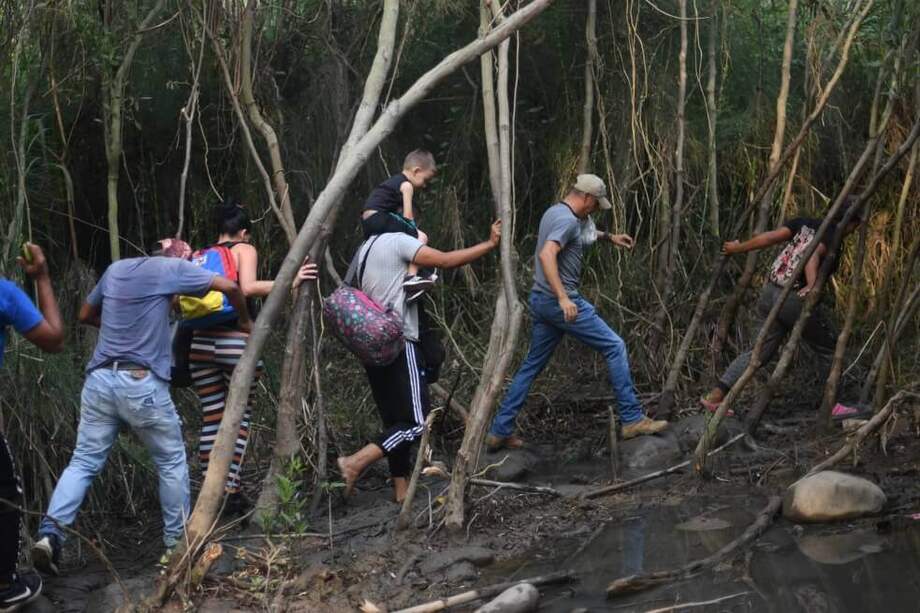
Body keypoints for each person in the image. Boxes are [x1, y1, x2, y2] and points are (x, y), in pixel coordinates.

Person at [31, 238, 251, 576]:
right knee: (171, 461)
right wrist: (244, 322)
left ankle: (50, 535)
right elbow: (230, 287)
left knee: (84, 462)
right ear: (179, 259)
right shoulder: (173, 268)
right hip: (140, 383)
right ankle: (177, 546)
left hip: (100, 381)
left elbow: (85, 314)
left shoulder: (117, 269)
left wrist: (119, 331)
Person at [486, 174, 668, 450]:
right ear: (586, 198)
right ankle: (631, 419)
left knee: (531, 366)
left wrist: (610, 237)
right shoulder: (566, 220)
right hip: (561, 303)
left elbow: (582, 235)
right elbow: (547, 255)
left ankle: (500, 430)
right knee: (615, 346)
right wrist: (563, 298)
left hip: (541, 300)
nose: (595, 210)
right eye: (596, 205)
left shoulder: (556, 212)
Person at [337, 218, 503, 503]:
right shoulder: (399, 242)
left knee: (394, 421)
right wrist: (490, 243)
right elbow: (447, 260)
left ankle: (401, 491)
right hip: (402, 342)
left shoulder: (363, 249)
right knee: (417, 423)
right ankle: (355, 462)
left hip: (372, 347)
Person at [188, 202, 317, 515]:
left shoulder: (199, 256)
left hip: (199, 346)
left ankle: (211, 489)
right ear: (243, 231)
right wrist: (292, 281)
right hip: (235, 344)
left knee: (212, 418)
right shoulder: (244, 248)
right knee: (239, 418)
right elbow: (248, 287)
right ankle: (230, 490)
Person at [700, 200, 865, 413]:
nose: (854, 231)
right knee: (828, 348)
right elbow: (812, 255)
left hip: (769, 291)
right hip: (792, 298)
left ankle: (715, 396)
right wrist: (813, 285)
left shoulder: (804, 222)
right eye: (855, 226)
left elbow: (769, 237)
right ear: (848, 222)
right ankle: (832, 406)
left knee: (758, 352)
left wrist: (738, 247)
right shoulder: (832, 236)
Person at [0, 243, 64, 611]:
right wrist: (40, 276)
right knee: (5, 495)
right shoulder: (5, 294)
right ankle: (4, 587)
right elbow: (54, 339)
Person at [361, 149, 438, 301]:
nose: (424, 186)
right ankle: (411, 277)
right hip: (379, 218)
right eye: (425, 180)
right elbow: (407, 217)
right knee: (421, 236)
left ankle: (420, 273)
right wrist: (413, 231)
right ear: (416, 171)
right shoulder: (406, 185)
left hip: (369, 221)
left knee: (409, 234)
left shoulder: (393, 182)